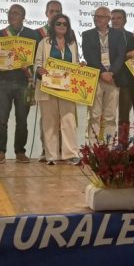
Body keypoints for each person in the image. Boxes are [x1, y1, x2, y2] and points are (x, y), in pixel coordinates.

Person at [0, 4, 39, 164]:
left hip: (23, 82)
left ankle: (20, 152)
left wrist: (29, 67)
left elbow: (38, 58)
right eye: (10, 12)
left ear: (23, 17)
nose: (12, 15)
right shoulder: (1, 34)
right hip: (3, 81)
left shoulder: (32, 35)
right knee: (1, 120)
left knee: (22, 120)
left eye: (16, 13)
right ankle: (0, 152)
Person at [34, 14, 81, 165]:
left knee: (69, 120)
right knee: (49, 122)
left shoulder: (72, 44)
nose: (61, 26)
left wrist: (81, 66)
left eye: (65, 24)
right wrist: (39, 69)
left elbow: (75, 63)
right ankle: (51, 156)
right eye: (58, 23)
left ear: (68, 27)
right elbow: (37, 63)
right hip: (48, 87)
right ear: (53, 26)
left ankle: (71, 154)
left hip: (67, 88)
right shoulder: (44, 42)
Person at [82, 6, 126, 144]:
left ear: (108, 19)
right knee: (94, 115)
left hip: (113, 79)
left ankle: (109, 148)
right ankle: (92, 148)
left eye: (100, 16)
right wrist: (102, 72)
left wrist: (111, 72)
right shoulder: (87, 34)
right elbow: (89, 56)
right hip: (96, 78)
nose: (97, 19)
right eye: (95, 16)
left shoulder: (118, 34)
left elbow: (121, 56)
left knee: (110, 116)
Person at [34, 0, 64, 161]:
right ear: (46, 13)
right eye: (52, 11)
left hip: (63, 83)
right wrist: (37, 70)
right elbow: (34, 60)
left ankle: (62, 150)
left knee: (63, 118)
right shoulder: (38, 34)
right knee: (47, 118)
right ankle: (46, 150)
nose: (55, 14)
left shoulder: (69, 34)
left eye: (58, 11)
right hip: (45, 82)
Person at [111, 8, 134, 145]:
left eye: (118, 18)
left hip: (126, 81)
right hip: (107, 80)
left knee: (124, 115)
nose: (115, 21)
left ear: (125, 20)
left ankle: (122, 145)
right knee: (105, 116)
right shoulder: (103, 36)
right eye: (113, 18)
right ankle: (103, 147)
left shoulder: (132, 37)